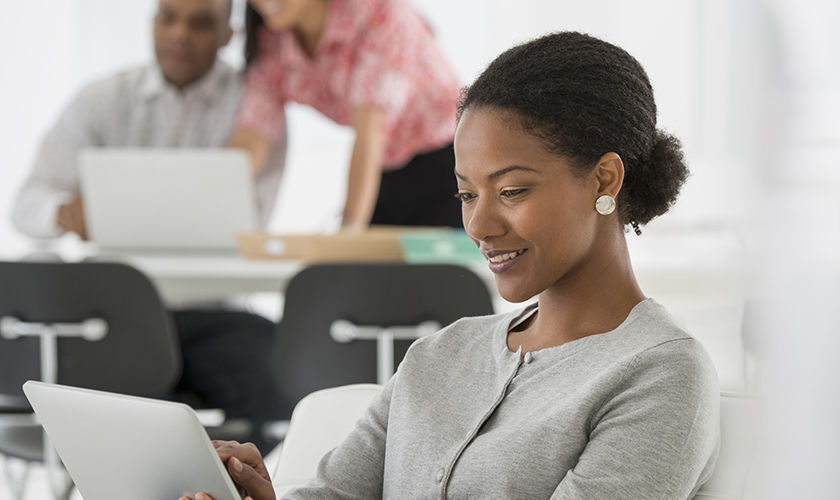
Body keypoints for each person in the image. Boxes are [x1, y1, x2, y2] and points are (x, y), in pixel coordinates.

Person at [181, 31, 720, 499]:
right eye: (466, 195)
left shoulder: (660, 374)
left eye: (511, 190)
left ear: (604, 179)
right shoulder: (440, 355)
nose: (480, 226)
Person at [11, 0, 287, 454]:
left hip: (214, 316)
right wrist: (63, 212)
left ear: (228, 36)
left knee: (278, 378)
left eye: (200, 23)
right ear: (152, 22)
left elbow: (248, 222)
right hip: (118, 317)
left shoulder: (254, 108)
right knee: (132, 413)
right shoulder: (100, 100)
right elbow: (27, 207)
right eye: (167, 17)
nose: (180, 33)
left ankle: (210, 484)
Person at [231, 0, 463, 230]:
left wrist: (348, 229)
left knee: (439, 265)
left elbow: (370, 132)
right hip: (383, 167)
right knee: (369, 263)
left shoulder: (378, 12)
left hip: (448, 161)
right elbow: (252, 136)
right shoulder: (272, 42)